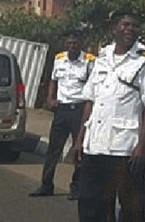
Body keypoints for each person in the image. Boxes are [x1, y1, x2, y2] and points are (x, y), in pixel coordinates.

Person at [75, 7, 145, 222]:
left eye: (134, 25)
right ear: (115, 28)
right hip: (95, 144)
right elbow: (90, 101)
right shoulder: (101, 58)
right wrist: (79, 140)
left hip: (125, 146)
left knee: (130, 207)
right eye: (125, 24)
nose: (130, 29)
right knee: (91, 203)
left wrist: (142, 144)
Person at [30, 30, 95, 200]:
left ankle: (76, 188)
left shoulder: (89, 61)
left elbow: (93, 86)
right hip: (62, 109)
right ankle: (46, 185)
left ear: (80, 43)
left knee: (78, 149)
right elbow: (54, 80)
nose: (71, 46)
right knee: (53, 149)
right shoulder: (59, 59)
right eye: (69, 43)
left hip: (80, 109)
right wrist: (50, 98)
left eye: (74, 43)